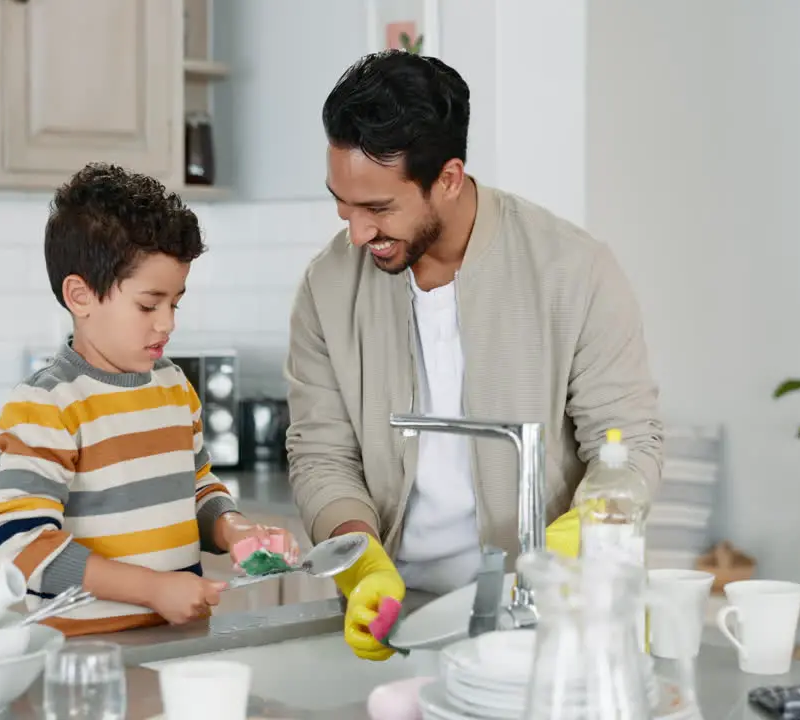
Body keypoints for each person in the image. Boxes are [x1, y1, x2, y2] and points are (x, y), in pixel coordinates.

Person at [285, 51, 664, 661]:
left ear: (450, 178)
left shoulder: (574, 270)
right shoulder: (328, 288)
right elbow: (320, 454)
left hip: (550, 619)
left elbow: (630, 443)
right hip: (401, 621)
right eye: (342, 204)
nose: (355, 233)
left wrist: (587, 534)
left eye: (378, 209)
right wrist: (360, 559)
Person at [0, 163, 298, 636]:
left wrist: (234, 529)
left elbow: (196, 490)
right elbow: (24, 546)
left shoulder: (173, 387)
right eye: (149, 305)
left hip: (180, 639)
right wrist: (152, 588)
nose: (168, 323)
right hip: (84, 654)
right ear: (80, 296)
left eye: (176, 303)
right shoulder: (47, 405)